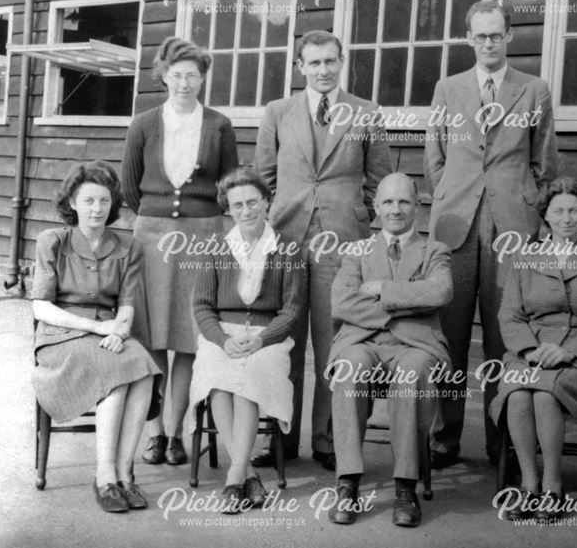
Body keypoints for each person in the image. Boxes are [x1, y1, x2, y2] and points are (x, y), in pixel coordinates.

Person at [424, 0, 557, 468]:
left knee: (505, 335)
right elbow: (434, 156)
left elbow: (544, 162)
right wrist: (449, 196)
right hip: (455, 223)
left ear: (509, 37)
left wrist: (526, 208)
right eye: (479, 36)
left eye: (496, 35)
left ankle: (504, 439)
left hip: (512, 227)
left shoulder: (534, 89)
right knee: (450, 335)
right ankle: (445, 437)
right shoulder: (448, 87)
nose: (488, 43)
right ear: (468, 39)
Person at [253, 30, 391, 471]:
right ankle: (281, 437)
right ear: (300, 67)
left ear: (342, 61)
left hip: (343, 242)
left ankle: (330, 438)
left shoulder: (366, 113)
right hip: (287, 240)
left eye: (330, 61)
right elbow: (264, 178)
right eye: (313, 63)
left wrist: (356, 219)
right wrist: (279, 217)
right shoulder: (277, 112)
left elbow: (380, 180)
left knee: (335, 342)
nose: (323, 70)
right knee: (283, 339)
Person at [122, 36, 239, 466]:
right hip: (151, 239)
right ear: (163, 76)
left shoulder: (219, 125)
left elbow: (229, 186)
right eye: (176, 75)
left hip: (202, 237)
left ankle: (175, 434)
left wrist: (195, 218)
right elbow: (130, 187)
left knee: (190, 339)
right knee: (152, 334)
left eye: (193, 74)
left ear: (203, 77)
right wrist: (158, 219)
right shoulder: (143, 123)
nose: (184, 82)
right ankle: (153, 433)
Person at [31, 160, 162, 513]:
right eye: (88, 200)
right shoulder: (52, 241)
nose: (97, 209)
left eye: (104, 201)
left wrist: (119, 330)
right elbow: (40, 307)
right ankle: (105, 475)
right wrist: (99, 328)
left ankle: (124, 473)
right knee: (117, 372)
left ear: (112, 204)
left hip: (108, 333)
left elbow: (129, 304)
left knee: (144, 366)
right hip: (61, 337)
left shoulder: (128, 247)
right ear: (72, 203)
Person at [490, 177, 577, 522]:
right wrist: (530, 350)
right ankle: (529, 486)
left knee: (547, 394)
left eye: (574, 211)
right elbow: (510, 314)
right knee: (518, 394)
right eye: (558, 211)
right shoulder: (524, 256)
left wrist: (570, 353)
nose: (567, 219)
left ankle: (553, 487)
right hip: (529, 352)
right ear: (545, 215)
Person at [327, 173, 452, 528]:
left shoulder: (435, 251)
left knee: (412, 375)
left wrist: (383, 288)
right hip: (362, 343)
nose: (395, 210)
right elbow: (342, 303)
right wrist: (407, 306)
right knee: (351, 367)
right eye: (388, 202)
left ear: (417, 206)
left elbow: (439, 293)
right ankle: (347, 482)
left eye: (403, 202)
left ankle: (405, 486)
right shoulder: (357, 250)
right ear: (376, 207)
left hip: (416, 346)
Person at [188, 167, 307, 514]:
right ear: (228, 208)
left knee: (250, 377)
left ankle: (233, 476)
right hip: (222, 335)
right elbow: (202, 306)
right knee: (219, 380)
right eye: (237, 205)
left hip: (268, 340)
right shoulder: (215, 247)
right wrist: (223, 340)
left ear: (266, 202)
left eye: (253, 202)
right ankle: (249, 473)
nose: (246, 211)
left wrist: (262, 340)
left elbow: (292, 309)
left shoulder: (288, 248)